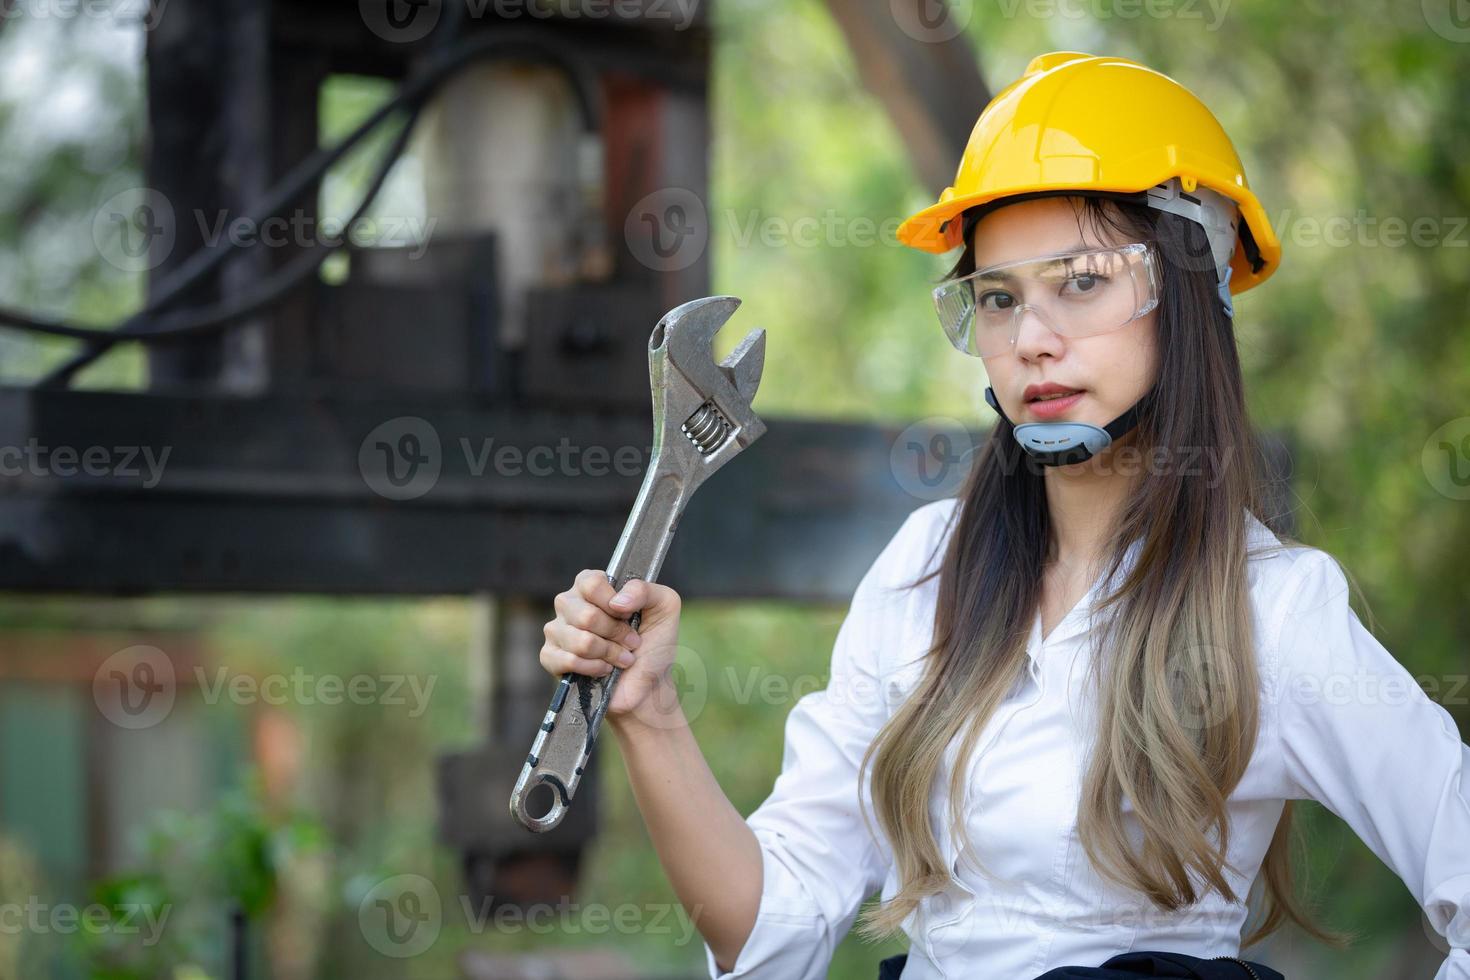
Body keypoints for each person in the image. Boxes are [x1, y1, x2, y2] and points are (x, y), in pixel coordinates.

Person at [537, 52, 1470, 980]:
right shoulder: (924, 571)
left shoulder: (1273, 607)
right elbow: (770, 930)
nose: (1030, 339)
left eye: (1081, 282)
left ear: (1192, 293)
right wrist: (650, 713)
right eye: (997, 298)